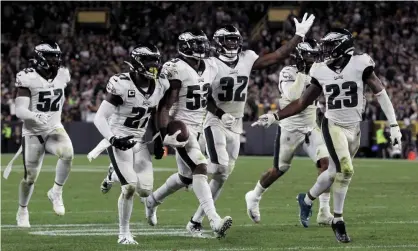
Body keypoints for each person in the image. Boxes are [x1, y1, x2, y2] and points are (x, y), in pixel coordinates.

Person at [251, 28, 402, 243]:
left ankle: (307, 199)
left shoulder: (361, 63)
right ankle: (337, 220)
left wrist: (394, 124)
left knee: (332, 173)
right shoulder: (320, 70)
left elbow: (381, 92)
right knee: (346, 171)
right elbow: (302, 102)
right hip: (333, 126)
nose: (326, 50)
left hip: (354, 128)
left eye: (331, 45)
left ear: (343, 46)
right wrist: (275, 116)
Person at [186, 13, 316, 237]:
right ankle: (191, 175)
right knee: (218, 168)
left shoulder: (246, 58)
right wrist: (219, 112)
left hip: (235, 123)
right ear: (218, 43)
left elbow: (276, 56)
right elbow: (202, 94)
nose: (233, 44)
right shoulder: (210, 64)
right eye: (228, 40)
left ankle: (195, 221)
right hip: (215, 120)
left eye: (235, 40)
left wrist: (299, 36)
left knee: (223, 175)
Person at [143, 29, 233, 238]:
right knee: (201, 167)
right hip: (179, 125)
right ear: (184, 47)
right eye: (196, 44)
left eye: (202, 43)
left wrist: (220, 114)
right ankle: (214, 220)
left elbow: (205, 97)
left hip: (198, 125)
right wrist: (163, 134)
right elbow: (164, 106)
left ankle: (152, 201)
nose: (201, 48)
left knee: (185, 177)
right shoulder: (176, 68)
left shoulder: (209, 66)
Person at [245, 39, 333, 227]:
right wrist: (302, 73)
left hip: (311, 127)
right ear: (301, 57)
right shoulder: (288, 72)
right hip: (290, 128)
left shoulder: (318, 70)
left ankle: (324, 211)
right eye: (310, 55)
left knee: (327, 165)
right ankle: (254, 195)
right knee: (279, 169)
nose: (314, 59)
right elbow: (294, 97)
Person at [93, 43, 167, 244]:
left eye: (155, 61)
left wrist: (159, 138)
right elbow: (99, 118)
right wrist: (113, 139)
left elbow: (154, 113)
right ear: (136, 63)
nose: (154, 65)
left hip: (140, 139)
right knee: (130, 188)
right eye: (149, 61)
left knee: (145, 190)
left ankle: (112, 174)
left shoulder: (160, 85)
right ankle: (123, 234)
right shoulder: (121, 84)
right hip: (119, 137)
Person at [14, 41, 74, 228]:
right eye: (50, 56)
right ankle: (22, 209)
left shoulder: (63, 74)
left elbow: (62, 96)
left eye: (56, 55)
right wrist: (35, 115)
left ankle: (56, 192)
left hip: (54, 128)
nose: (55, 60)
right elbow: (19, 110)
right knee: (30, 177)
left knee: (68, 153)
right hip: (32, 132)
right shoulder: (27, 77)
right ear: (40, 58)